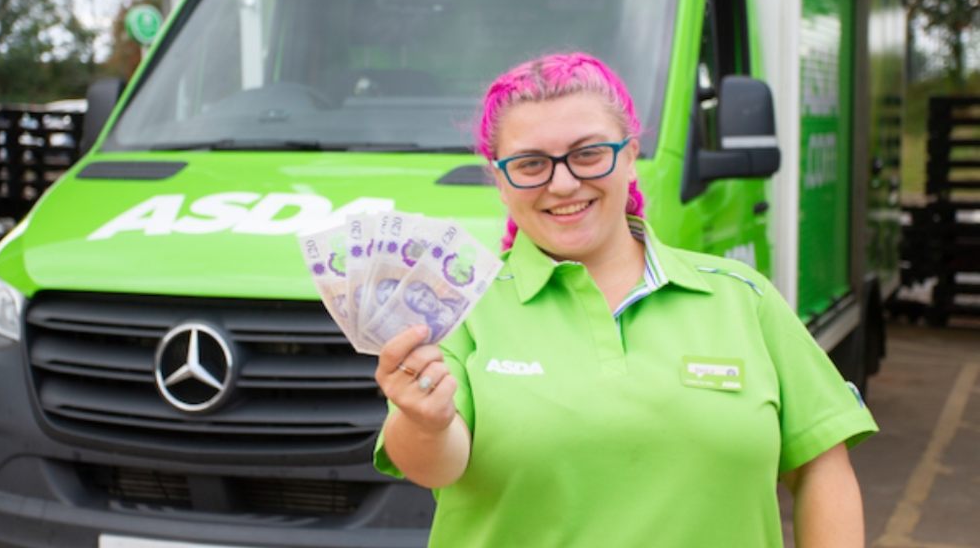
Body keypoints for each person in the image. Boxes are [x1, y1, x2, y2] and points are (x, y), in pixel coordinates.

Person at [373, 52, 877, 547]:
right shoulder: (459, 305)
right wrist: (424, 419)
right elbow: (433, 465)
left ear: (631, 156)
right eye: (530, 164)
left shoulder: (742, 297)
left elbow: (821, 472)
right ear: (500, 180)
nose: (564, 183)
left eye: (588, 153)